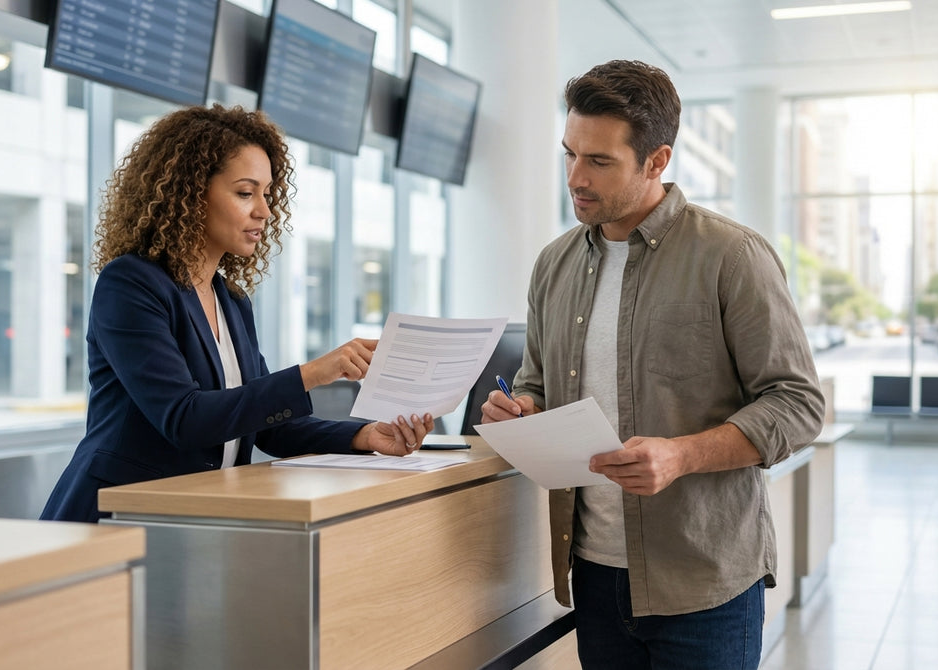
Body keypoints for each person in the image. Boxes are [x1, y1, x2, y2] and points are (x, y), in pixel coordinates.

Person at [480, 61, 824, 669]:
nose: (576, 178)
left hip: (704, 583)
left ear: (657, 161)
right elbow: (535, 380)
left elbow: (797, 405)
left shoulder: (731, 256)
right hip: (593, 574)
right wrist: (522, 408)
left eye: (599, 162)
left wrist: (681, 455)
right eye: (569, 155)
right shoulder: (553, 265)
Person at [42, 104, 434, 523]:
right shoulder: (131, 284)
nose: (264, 211)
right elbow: (184, 419)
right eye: (246, 193)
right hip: (115, 516)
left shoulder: (231, 300)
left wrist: (365, 435)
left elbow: (266, 426)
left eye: (267, 194)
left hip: (192, 518)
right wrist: (315, 372)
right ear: (189, 193)